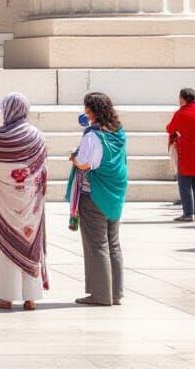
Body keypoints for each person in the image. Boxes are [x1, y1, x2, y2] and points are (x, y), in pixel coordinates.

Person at [0, 93, 48, 311]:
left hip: (4, 202)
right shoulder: (37, 136)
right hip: (31, 203)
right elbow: (41, 167)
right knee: (31, 244)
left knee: (5, 246)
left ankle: (7, 297)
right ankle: (30, 298)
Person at [66, 91, 128, 307]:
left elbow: (84, 163)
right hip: (115, 193)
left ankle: (101, 295)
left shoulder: (92, 135)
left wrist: (73, 157)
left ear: (91, 111)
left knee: (97, 245)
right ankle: (115, 293)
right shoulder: (118, 131)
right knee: (113, 243)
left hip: (94, 194)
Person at [167, 87, 195, 222]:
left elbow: (170, 128)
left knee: (185, 186)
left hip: (186, 155)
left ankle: (187, 214)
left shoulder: (180, 114)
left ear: (183, 99)